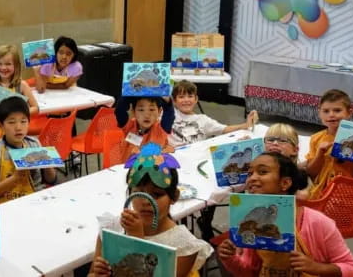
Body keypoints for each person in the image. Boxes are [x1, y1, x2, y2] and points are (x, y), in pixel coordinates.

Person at [218, 152, 353, 276]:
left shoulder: (318, 222)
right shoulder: (250, 221)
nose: (252, 178)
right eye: (249, 173)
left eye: (262, 172)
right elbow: (248, 271)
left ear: (285, 183)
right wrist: (229, 258)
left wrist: (317, 268)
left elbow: (351, 268)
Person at [89, 143, 213, 277]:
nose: (146, 201)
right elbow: (92, 273)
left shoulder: (184, 246)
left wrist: (136, 239)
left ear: (174, 197)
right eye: (139, 193)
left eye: (157, 194)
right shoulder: (112, 229)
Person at [0, 96, 56, 204]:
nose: (18, 127)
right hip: (6, 204)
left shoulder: (34, 145)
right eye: (11, 122)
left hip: (35, 201)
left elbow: (51, 180)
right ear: (0, 125)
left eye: (23, 121)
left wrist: (48, 165)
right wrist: (15, 178)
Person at [0, 45, 39, 141]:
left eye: (8, 64)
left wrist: (18, 113)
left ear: (16, 65)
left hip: (15, 132)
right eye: (0, 64)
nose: (3, 67)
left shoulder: (22, 85)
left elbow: (36, 108)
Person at [169, 80, 258, 148]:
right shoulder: (167, 113)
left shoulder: (203, 119)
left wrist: (246, 124)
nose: (186, 100)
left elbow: (224, 129)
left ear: (196, 99)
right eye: (181, 97)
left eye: (190, 96)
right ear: (174, 100)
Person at [306, 89, 353, 199]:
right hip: (320, 192)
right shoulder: (316, 138)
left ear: (349, 113)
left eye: (337, 110)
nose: (331, 115)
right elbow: (311, 173)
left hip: (348, 194)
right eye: (326, 111)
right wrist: (320, 154)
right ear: (319, 112)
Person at [115, 96, 175, 163]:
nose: (146, 115)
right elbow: (120, 111)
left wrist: (168, 102)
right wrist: (129, 94)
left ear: (159, 111)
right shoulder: (129, 126)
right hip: (129, 170)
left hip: (153, 170)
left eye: (152, 109)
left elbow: (169, 115)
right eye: (141, 110)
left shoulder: (162, 129)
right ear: (133, 111)